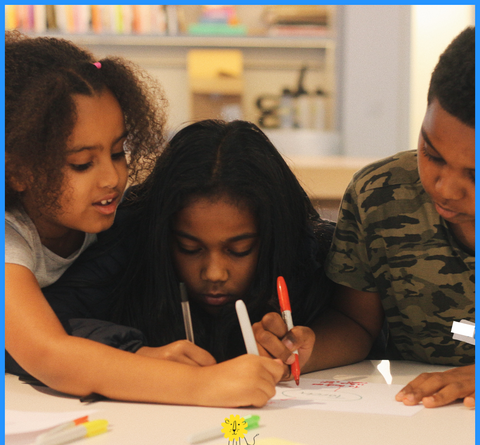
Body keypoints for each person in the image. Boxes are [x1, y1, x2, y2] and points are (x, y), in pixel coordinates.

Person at [5, 33, 283, 408]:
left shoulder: (100, 218)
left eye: (118, 152)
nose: (111, 178)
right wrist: (200, 385)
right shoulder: (9, 240)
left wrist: (135, 358)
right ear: (18, 170)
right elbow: (52, 355)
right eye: (82, 163)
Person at [255, 26, 475, 408]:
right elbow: (356, 323)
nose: (446, 188)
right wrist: (307, 349)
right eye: (432, 154)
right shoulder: (379, 195)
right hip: (413, 415)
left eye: (474, 174)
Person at [41, 119, 335, 397]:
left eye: (239, 249)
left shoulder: (305, 256)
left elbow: (359, 327)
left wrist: (307, 348)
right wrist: (137, 355)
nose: (214, 273)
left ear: (273, 239)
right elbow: (38, 332)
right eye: (189, 248)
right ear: (163, 234)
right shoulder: (127, 240)